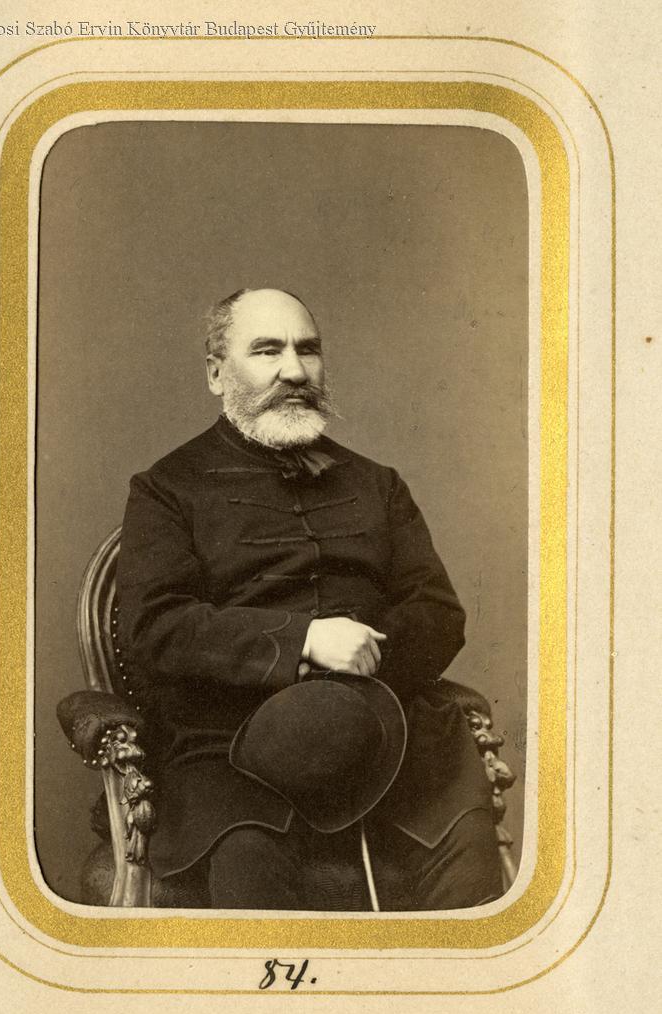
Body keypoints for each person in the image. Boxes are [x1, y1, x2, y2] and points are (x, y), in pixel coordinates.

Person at [116, 287, 502, 911]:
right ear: (216, 373)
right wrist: (304, 642)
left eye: (308, 350)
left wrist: (365, 666)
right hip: (232, 746)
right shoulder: (167, 489)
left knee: (470, 869)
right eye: (267, 350)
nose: (294, 371)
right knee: (251, 872)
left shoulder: (378, 483)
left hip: (391, 725)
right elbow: (157, 628)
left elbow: (437, 611)